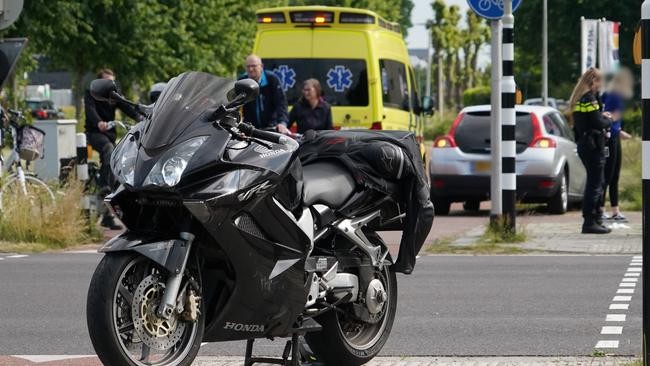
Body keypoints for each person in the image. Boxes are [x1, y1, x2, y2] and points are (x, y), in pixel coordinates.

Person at [85, 68, 142, 230]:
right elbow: (90, 110)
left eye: (112, 82)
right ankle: (104, 184)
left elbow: (127, 107)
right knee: (109, 150)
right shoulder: (90, 94)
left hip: (109, 135)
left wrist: (141, 117)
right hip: (95, 133)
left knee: (122, 160)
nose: (110, 85)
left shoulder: (113, 95)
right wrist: (98, 122)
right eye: (106, 82)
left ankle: (108, 215)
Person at [569, 67, 612, 234]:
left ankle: (595, 218)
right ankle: (589, 221)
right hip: (593, 145)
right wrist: (608, 119)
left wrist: (601, 116)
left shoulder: (581, 98)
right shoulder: (589, 99)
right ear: (593, 81)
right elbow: (597, 123)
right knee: (595, 183)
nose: (602, 85)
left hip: (586, 144)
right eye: (600, 81)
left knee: (595, 182)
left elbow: (587, 121)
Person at [600, 68, 634, 222]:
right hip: (610, 138)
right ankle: (601, 209)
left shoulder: (615, 96)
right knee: (608, 175)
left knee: (614, 175)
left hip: (614, 137)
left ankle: (615, 210)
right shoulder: (612, 96)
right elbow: (607, 116)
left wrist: (619, 130)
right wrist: (615, 130)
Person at [239, 54, 288, 130]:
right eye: (248, 66)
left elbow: (281, 103)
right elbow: (235, 103)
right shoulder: (242, 81)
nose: (250, 69)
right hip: (250, 128)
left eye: (253, 66)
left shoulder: (272, 79)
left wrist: (282, 122)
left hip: (271, 127)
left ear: (261, 66)